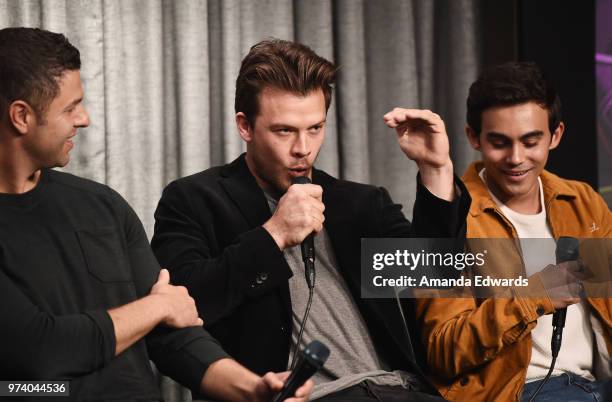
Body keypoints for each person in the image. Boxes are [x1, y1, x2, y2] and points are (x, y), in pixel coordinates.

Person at [0, 27, 312, 402]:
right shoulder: (194, 199)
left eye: (316, 128)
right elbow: (39, 352)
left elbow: (173, 333)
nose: (84, 119)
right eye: (70, 107)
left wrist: (252, 389)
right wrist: (158, 306)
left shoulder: (103, 206)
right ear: (21, 116)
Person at [151, 38, 470, 401]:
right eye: (284, 131)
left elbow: (435, 276)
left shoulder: (361, 203)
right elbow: (183, 307)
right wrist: (273, 235)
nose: (303, 148)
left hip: (398, 389)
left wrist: (436, 170)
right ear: (245, 126)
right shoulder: (195, 200)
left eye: (315, 128)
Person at [415, 62, 612, 401]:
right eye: (500, 142)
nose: (516, 158)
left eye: (531, 141)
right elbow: (442, 351)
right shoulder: (447, 218)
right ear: (473, 137)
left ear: (556, 135)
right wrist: (531, 296)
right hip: (522, 390)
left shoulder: (582, 201)